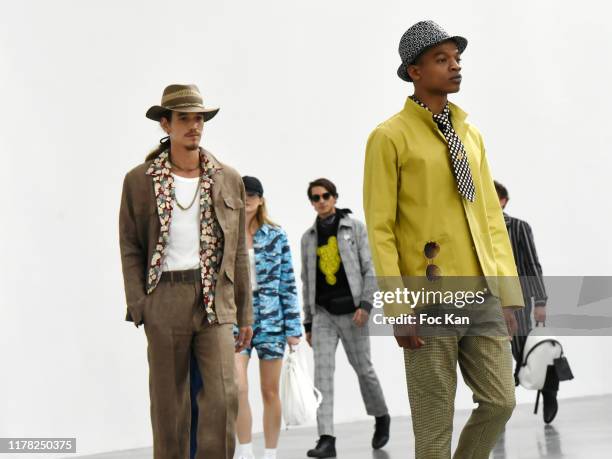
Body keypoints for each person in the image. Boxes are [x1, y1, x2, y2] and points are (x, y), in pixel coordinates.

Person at [363, 21, 524, 459]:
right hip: (428, 297)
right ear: (414, 71)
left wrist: (508, 292)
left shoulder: (470, 135)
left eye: (457, 59)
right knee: (434, 422)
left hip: (482, 292)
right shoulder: (389, 136)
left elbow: (491, 216)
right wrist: (398, 308)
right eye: (442, 60)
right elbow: (380, 230)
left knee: (501, 401)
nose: (454, 67)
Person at [119, 83, 253, 459]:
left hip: (215, 299)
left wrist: (245, 313)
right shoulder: (139, 181)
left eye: (199, 119)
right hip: (164, 296)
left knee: (224, 394)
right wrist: (140, 304)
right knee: (168, 403)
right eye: (184, 119)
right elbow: (130, 245)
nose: (194, 126)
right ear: (166, 125)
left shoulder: (228, 177)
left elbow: (239, 252)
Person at [190, 176, 302, 459]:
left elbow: (287, 284)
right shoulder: (225, 235)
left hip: (272, 321)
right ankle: (245, 450)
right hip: (235, 320)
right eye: (243, 193)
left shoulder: (276, 235)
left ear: (261, 199)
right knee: (238, 386)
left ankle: (271, 453)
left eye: (253, 194)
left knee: (270, 391)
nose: (248, 198)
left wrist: (293, 327)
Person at [301, 178, 390, 458]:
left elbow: (370, 269)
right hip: (323, 315)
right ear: (312, 202)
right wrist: (308, 322)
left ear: (335, 197)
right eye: (316, 198)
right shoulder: (308, 238)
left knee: (364, 370)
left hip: (354, 313)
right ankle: (326, 438)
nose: (322, 201)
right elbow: (306, 281)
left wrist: (366, 305)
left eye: (326, 195)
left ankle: (381, 415)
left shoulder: (355, 228)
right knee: (322, 377)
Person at [494, 180, 555, 422]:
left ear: (503, 201)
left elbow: (532, 265)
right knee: (494, 358)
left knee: (526, 353)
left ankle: (549, 390)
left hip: (516, 301)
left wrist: (540, 301)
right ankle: (497, 414)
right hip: (487, 302)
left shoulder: (518, 228)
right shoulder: (477, 230)